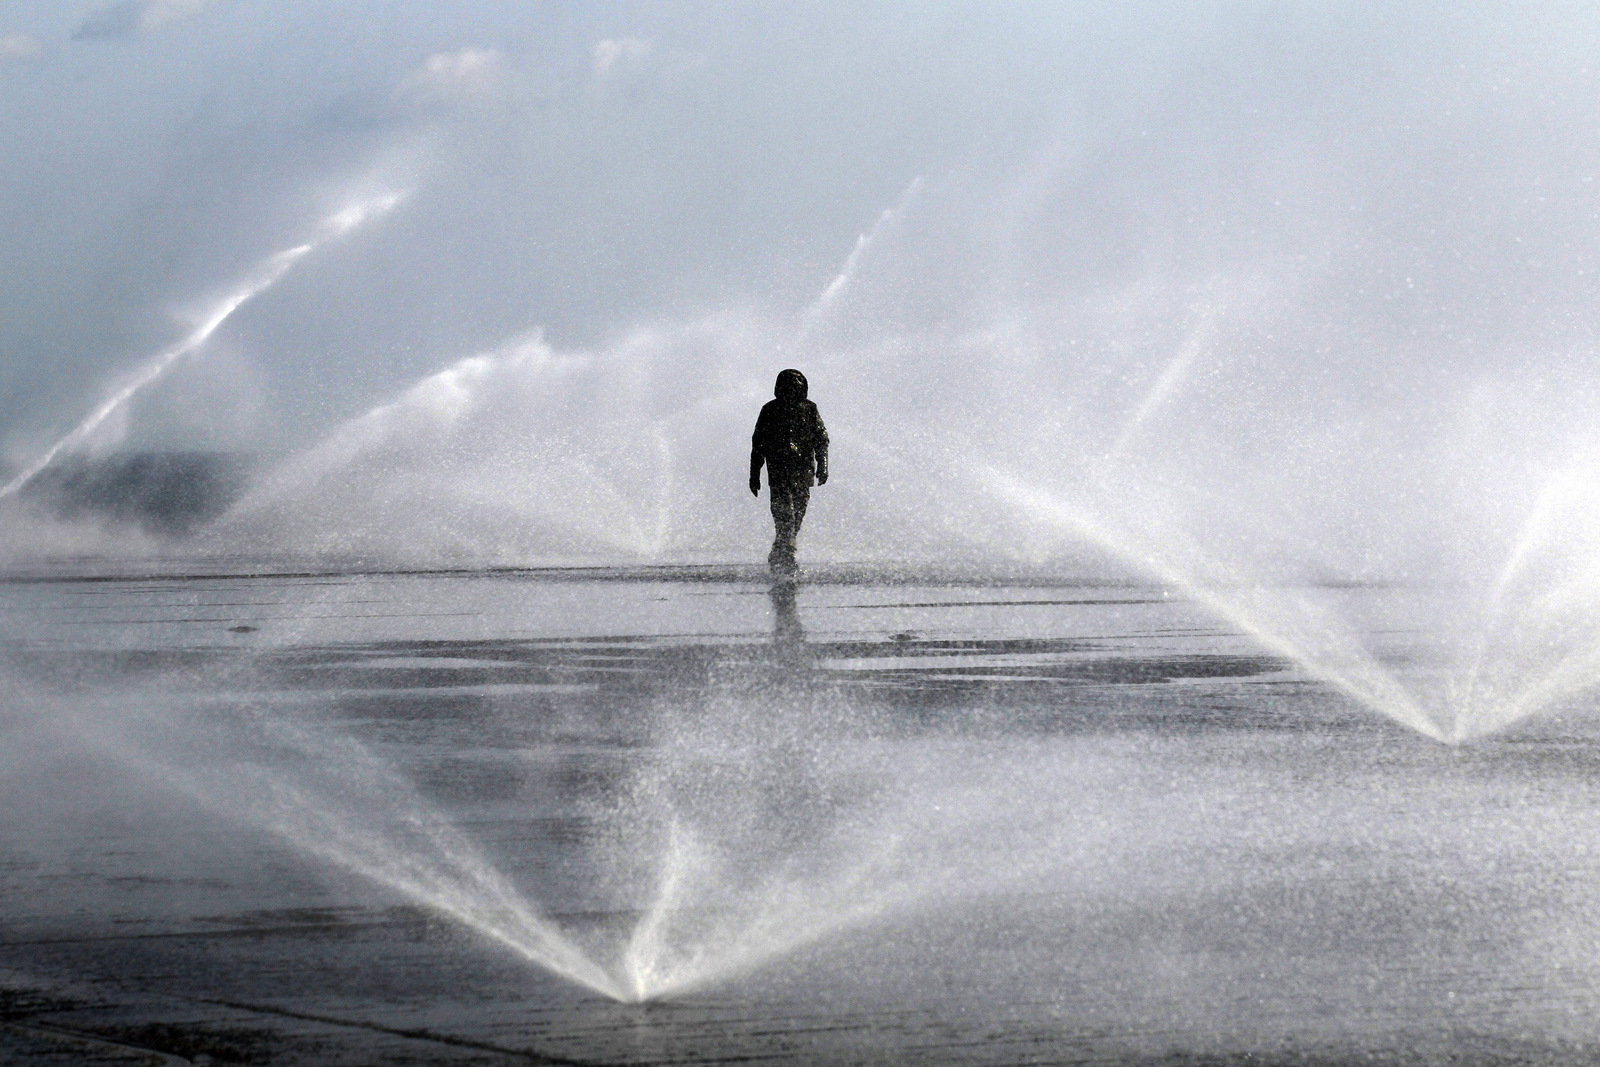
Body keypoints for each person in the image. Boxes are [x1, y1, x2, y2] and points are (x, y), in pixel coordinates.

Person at [749, 369, 828, 578]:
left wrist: (824, 465)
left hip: (803, 472)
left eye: (795, 387)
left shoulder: (810, 409)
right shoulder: (769, 410)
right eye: (787, 387)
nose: (791, 392)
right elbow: (758, 444)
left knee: (798, 515)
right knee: (785, 515)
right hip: (778, 472)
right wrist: (754, 474)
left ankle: (779, 553)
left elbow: (821, 439)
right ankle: (788, 557)